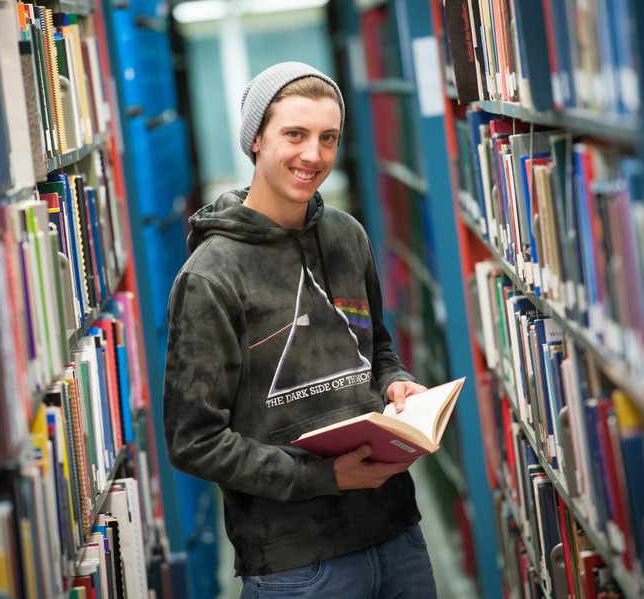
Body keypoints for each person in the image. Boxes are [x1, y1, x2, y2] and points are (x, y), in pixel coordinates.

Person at [163, 61, 439, 597]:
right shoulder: (210, 276)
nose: (313, 155)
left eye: (328, 138)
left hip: (397, 532)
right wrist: (323, 478)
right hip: (296, 565)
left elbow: (374, 347)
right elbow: (193, 441)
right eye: (295, 134)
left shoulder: (346, 236)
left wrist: (394, 383)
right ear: (256, 141)